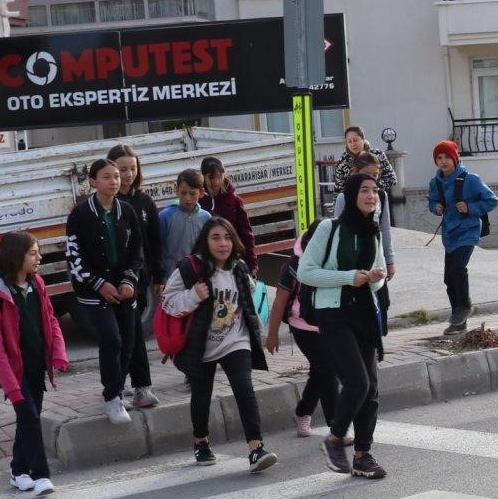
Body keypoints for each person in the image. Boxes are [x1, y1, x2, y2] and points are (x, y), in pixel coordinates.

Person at [162, 217, 279, 473]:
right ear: (205, 241)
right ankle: (201, 442)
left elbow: (249, 305)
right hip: (201, 346)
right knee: (201, 396)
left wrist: (262, 333)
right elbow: (167, 302)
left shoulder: (239, 268)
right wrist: (193, 296)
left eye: (227, 237)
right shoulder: (190, 269)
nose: (222, 243)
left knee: (244, 389)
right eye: (215, 237)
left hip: (235, 341)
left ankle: (256, 448)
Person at [300, 174, 389, 479]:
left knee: (372, 389)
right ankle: (335, 439)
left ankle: (363, 456)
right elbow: (306, 272)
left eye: (375, 191)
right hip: (333, 313)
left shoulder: (372, 232)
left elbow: (378, 279)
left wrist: (377, 278)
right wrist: (349, 277)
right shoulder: (329, 227)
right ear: (351, 195)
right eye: (365, 190)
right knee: (357, 382)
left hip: (363, 312)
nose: (371, 195)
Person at [0, 230, 68, 498]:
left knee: (28, 419)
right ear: (16, 256)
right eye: (33, 253)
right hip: (13, 372)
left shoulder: (38, 284)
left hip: (35, 366)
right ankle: (40, 475)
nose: (39, 257)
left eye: (37, 252)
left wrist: (57, 353)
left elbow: (51, 319)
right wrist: (10, 386)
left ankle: (18, 470)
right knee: (29, 416)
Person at [65, 156, 145, 424]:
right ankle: (112, 398)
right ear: (92, 181)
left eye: (117, 176)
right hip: (93, 291)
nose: (114, 181)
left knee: (128, 344)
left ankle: (118, 391)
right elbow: (74, 258)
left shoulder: (127, 211)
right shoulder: (80, 214)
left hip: (123, 290)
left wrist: (128, 280)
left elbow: (137, 253)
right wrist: (99, 284)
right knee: (111, 339)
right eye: (107, 177)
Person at [265, 222, 337, 438]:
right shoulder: (294, 265)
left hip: (330, 325)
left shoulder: (336, 257)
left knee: (320, 372)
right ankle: (337, 428)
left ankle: (302, 411)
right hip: (303, 327)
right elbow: (279, 302)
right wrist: (272, 334)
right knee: (327, 371)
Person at [428, 139, 498, 336]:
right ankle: (458, 323)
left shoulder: (471, 179)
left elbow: (492, 200)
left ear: (455, 158)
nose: (443, 161)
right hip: (449, 234)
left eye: (447, 157)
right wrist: (436, 207)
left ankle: (465, 305)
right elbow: (432, 200)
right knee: (449, 277)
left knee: (458, 268)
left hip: (468, 231)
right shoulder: (436, 182)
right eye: (439, 158)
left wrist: (470, 207)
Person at [109, 143, 161, 411]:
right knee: (118, 337)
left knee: (135, 334)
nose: (127, 174)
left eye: (132, 168)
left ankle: (140, 387)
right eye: (121, 169)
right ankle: (115, 388)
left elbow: (154, 241)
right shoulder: (108, 206)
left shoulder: (144, 202)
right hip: (110, 284)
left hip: (139, 281)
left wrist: (158, 275)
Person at [331, 150, 398, 283]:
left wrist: (389, 261)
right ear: (354, 172)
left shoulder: (382, 197)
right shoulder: (343, 198)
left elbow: (385, 230)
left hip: (375, 258)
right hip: (349, 262)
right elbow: (337, 233)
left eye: (375, 175)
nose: (372, 178)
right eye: (367, 174)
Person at [158, 169, 211, 281]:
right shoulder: (166, 216)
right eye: (183, 193)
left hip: (197, 274)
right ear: (176, 190)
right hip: (170, 275)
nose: (187, 198)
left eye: (192, 193)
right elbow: (157, 248)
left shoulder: (206, 218)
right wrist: (159, 276)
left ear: (201, 193)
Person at [199, 156, 256, 261]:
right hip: (206, 258)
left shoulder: (234, 200)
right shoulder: (198, 200)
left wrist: (251, 261)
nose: (216, 182)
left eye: (219, 176)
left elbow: (246, 233)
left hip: (232, 257)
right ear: (203, 177)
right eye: (211, 178)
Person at [333, 126, 398, 201]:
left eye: (355, 140)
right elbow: (338, 189)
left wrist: (372, 186)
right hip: (352, 203)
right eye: (349, 141)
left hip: (375, 200)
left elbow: (392, 178)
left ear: (363, 139)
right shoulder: (343, 161)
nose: (353, 144)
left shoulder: (377, 155)